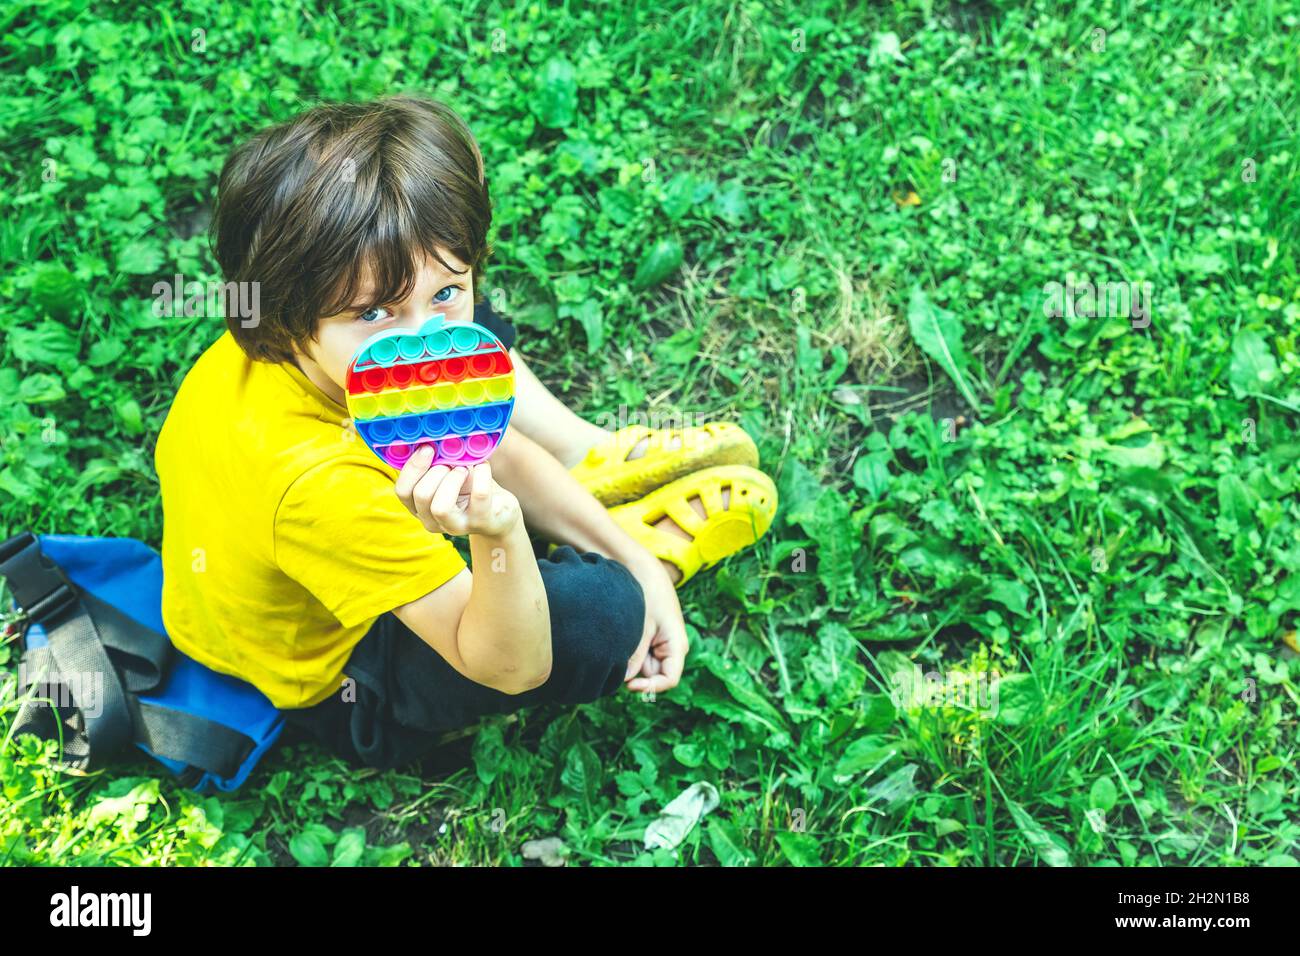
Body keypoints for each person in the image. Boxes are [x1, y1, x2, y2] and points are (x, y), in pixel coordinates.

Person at [154, 94, 778, 772]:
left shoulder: (297, 330)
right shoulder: (324, 488)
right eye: (374, 313)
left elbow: (487, 442)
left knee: (465, 341)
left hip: (285, 544)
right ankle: (635, 541)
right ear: (286, 315)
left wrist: (623, 551)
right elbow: (508, 665)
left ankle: (588, 456)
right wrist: (503, 532)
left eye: (447, 290)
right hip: (347, 680)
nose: (423, 341)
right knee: (596, 618)